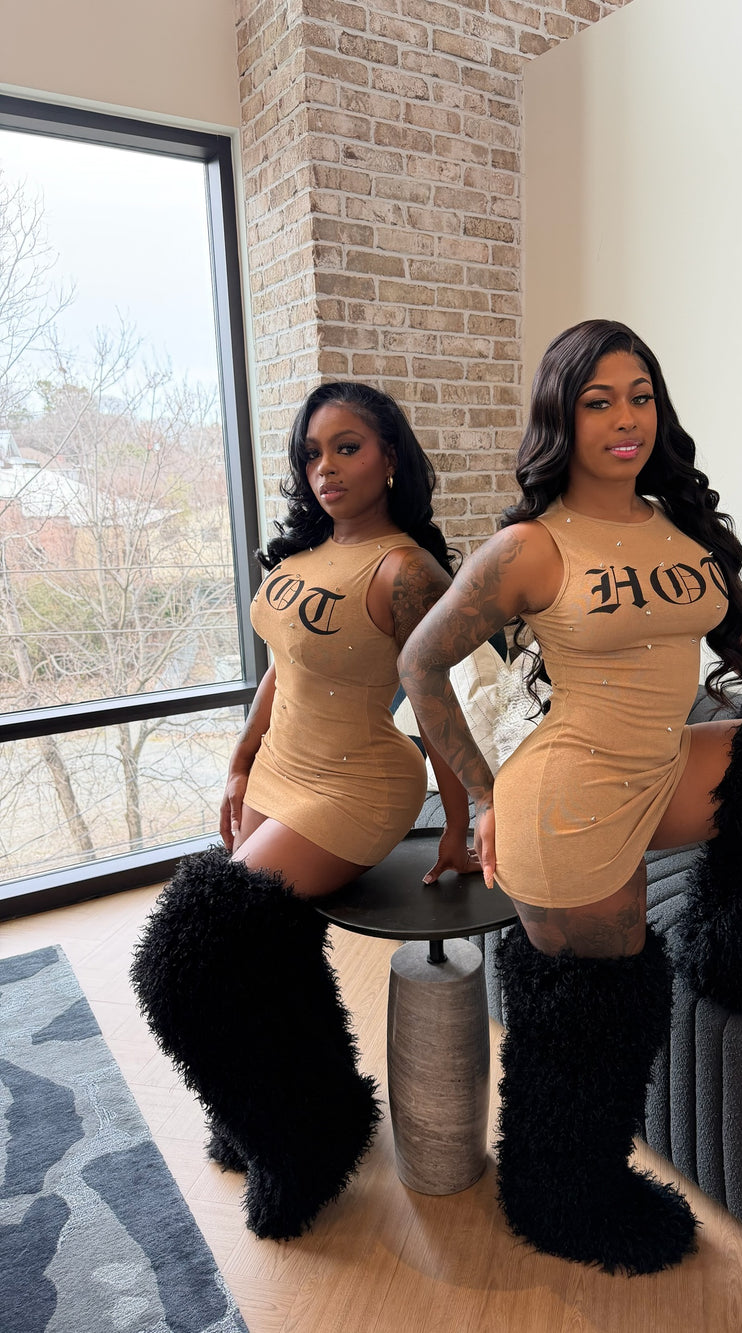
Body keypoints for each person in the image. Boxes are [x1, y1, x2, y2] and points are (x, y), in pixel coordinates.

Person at [397, 319, 742, 1276]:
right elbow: (421, 664)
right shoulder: (530, 547)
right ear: (563, 418)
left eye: (640, 397)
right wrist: (488, 798)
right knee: (602, 1013)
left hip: (661, 772)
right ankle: (561, 1196)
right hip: (568, 800)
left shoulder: (683, 531)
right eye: (598, 402)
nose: (626, 419)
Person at [132, 382, 475, 1241]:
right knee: (274, 953)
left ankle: (299, 1145)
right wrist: (240, 760)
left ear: (390, 457)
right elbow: (282, 669)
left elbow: (438, 703)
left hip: (356, 784)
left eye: (347, 447)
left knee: (187, 959)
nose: (326, 468)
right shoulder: (305, 555)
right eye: (312, 453)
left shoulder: (405, 571)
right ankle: (323, 1103)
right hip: (282, 770)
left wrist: (460, 823)